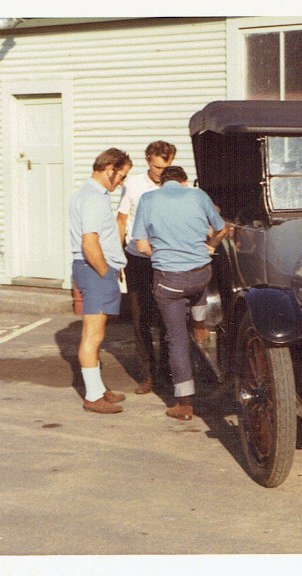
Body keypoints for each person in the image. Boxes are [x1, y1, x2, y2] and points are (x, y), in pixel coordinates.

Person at [131, 166, 226, 420]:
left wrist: (161, 254)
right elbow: (221, 229)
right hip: (200, 274)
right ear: (184, 182)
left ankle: (184, 404)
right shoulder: (198, 195)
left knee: (176, 339)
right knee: (198, 287)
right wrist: (210, 246)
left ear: (162, 182)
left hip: (169, 280)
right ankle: (199, 323)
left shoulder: (148, 199)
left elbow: (141, 245)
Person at [69, 148, 132, 414]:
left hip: (93, 270)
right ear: (110, 169)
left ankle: (98, 387)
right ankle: (93, 396)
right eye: (122, 175)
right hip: (95, 271)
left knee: (97, 335)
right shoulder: (93, 198)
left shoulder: (89, 194)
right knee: (92, 336)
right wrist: (106, 271)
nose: (122, 182)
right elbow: (89, 241)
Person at [116, 141, 177, 394]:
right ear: (148, 159)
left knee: (168, 317)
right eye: (156, 166)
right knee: (141, 318)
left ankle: (168, 371)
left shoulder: (176, 185)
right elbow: (120, 220)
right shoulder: (133, 185)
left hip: (167, 258)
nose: (161, 172)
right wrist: (117, 256)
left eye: (166, 166)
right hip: (137, 259)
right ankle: (149, 374)